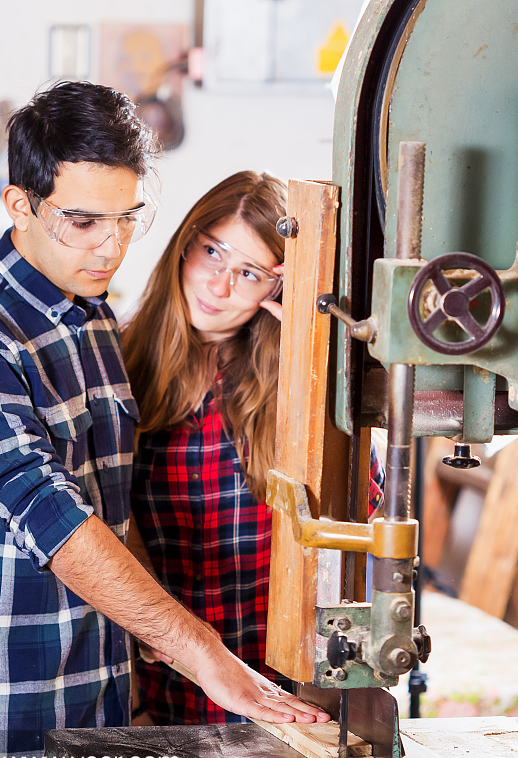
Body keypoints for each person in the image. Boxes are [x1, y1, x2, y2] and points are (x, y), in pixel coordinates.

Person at [0, 85, 326, 758]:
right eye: (83, 220)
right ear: (20, 205)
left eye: (127, 219)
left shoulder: (89, 322)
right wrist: (205, 656)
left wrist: (158, 662)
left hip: (96, 729)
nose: (111, 246)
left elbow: (109, 517)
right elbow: (52, 518)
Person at [120, 172, 383, 725]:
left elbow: (364, 513)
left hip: (287, 698)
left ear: (276, 287)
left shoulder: (291, 380)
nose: (220, 286)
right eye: (213, 252)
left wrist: (310, 356)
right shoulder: (114, 363)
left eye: (250, 273)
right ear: (184, 243)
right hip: (159, 695)